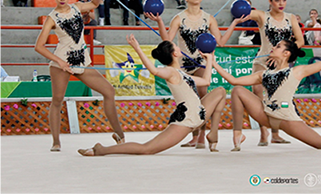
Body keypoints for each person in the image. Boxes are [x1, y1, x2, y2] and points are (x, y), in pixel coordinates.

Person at [212, 23, 321, 151]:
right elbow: (233, 80)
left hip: (286, 118)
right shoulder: (263, 74)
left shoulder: (296, 71)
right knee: (237, 90)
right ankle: (238, 134)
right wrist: (213, 62)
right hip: (266, 114)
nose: (273, 47)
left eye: (277, 46)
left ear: (286, 54)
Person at [78, 36, 227, 155]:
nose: (179, 48)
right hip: (186, 121)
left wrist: (209, 60)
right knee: (147, 149)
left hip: (199, 113)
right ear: (174, 54)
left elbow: (206, 81)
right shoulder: (170, 72)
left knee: (220, 91)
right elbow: (154, 71)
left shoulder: (181, 73)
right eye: (176, 46)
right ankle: (102, 149)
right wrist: (137, 49)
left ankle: (213, 134)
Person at [146, 0, 250, 148]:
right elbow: (166, 41)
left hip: (201, 63)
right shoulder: (179, 18)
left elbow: (221, 42)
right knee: (190, 101)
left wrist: (235, 22)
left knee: (202, 96)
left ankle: (201, 136)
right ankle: (196, 136)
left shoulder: (209, 18)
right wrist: (159, 20)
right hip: (182, 67)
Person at [34, 0, 125, 151]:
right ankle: (56, 142)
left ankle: (119, 135)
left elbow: (94, 4)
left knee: (108, 91)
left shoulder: (77, 8)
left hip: (82, 62)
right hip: (61, 63)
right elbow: (38, 46)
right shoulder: (52, 18)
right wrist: (60, 61)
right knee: (57, 100)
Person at [241, 0, 304, 145]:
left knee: (277, 100)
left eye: (284, 0)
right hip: (262, 62)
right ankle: (263, 133)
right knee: (259, 97)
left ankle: (275, 134)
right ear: (270, 1)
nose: (281, 3)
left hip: (280, 66)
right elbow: (242, 9)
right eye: (277, 0)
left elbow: (300, 40)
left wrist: (288, 53)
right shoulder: (262, 16)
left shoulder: (290, 18)